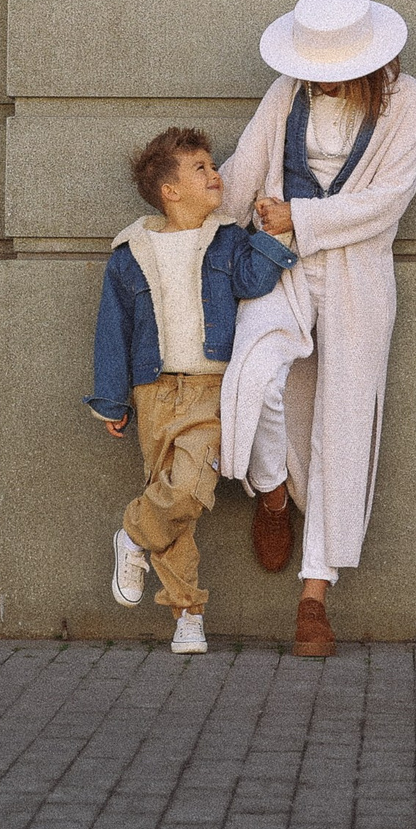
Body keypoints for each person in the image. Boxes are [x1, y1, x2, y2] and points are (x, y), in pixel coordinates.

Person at [217, 0, 416, 657]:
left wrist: (301, 218)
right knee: (255, 376)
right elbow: (247, 168)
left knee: (343, 421)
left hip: (356, 275)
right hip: (277, 266)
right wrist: (182, 227)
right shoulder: (287, 93)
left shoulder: (404, 101)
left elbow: (391, 199)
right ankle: (272, 492)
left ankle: (315, 596)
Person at [87, 125, 297, 654]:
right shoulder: (130, 252)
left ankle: (133, 534)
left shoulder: (228, 237)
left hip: (209, 386)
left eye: (212, 164)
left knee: (188, 489)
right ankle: (188, 614)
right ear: (169, 191)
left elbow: (253, 281)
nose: (215, 174)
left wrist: (275, 236)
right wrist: (113, 400)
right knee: (176, 505)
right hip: (152, 389)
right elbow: (113, 329)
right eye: (200, 168)